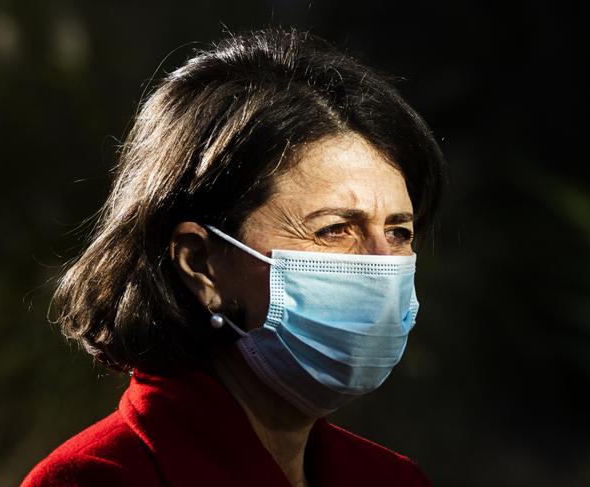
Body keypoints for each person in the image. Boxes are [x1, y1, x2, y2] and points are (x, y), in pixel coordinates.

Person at [22, 28, 445, 487]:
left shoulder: (390, 477)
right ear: (202, 264)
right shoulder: (98, 478)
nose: (383, 264)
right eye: (334, 229)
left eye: (398, 231)